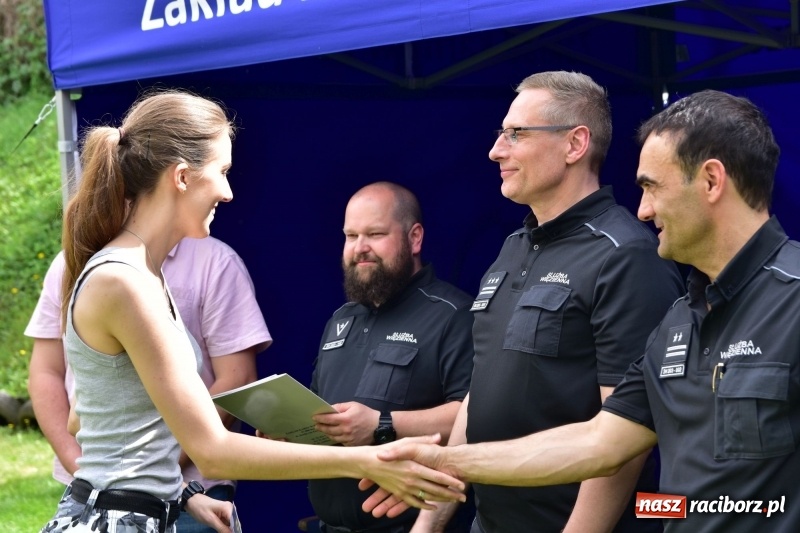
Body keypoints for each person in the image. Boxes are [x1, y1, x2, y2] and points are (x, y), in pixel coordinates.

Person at [369, 89, 798, 532]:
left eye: (651, 187)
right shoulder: (680, 320)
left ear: (710, 181)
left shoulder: (789, 298)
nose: (644, 210)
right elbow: (599, 442)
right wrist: (444, 461)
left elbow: (615, 458)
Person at [39, 89, 466, 533]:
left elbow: (95, 416)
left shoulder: (140, 273)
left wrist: (181, 496)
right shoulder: (126, 281)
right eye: (222, 171)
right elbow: (213, 451)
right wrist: (369, 459)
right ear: (182, 177)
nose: (227, 192)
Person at [406, 71, 685, 533]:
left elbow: (626, 435)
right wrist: (429, 523)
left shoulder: (626, 255)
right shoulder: (513, 246)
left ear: (575, 144)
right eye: (501, 134)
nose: (496, 150)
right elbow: (482, 390)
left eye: (515, 134)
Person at [26, 233, 274, 533]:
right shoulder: (100, 271)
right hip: (94, 492)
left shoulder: (215, 262)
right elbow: (50, 377)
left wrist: (167, 476)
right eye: (220, 181)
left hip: (186, 492)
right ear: (177, 182)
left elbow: (237, 377)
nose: (227, 193)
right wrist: (85, 466)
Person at [308, 182, 475, 533]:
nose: (359, 248)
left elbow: (475, 417)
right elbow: (330, 420)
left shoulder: (454, 315)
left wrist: (383, 424)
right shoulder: (342, 319)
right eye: (351, 236)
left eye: (375, 234)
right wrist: (292, 430)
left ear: (415, 238)